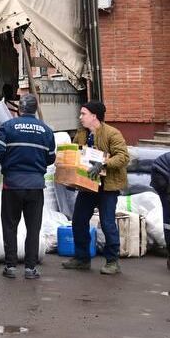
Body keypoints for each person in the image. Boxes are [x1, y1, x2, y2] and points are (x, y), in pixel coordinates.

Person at [0, 93, 54, 279]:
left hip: (12, 185)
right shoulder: (46, 130)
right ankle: (30, 269)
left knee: (10, 225)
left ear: (19, 109)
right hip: (35, 186)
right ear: (34, 109)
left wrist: (10, 163)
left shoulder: (8, 127)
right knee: (33, 228)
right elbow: (50, 158)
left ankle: (10, 267)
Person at [62, 101, 130, 275]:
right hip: (88, 186)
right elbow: (76, 155)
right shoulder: (82, 135)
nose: (80, 117)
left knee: (107, 223)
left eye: (83, 114)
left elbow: (123, 157)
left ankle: (112, 261)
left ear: (94, 116)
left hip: (108, 187)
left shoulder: (112, 133)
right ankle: (82, 258)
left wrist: (103, 163)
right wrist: (71, 178)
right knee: (78, 219)